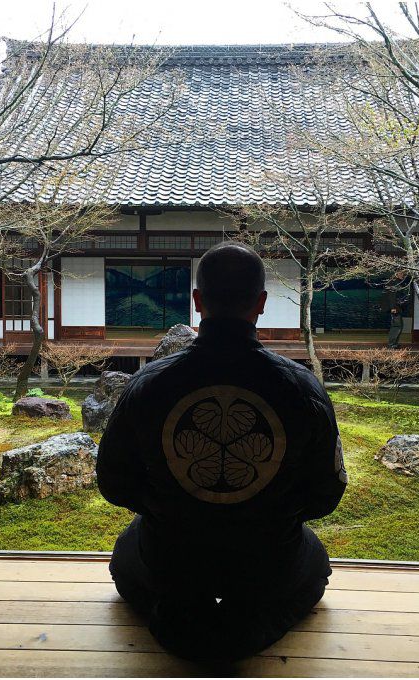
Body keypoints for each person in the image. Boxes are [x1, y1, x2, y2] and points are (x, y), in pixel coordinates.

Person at [96, 242, 347, 663]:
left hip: (171, 556)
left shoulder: (150, 384)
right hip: (266, 558)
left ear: (197, 302)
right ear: (262, 303)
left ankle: (180, 615)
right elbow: (324, 495)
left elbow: (114, 482)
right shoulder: (301, 388)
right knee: (314, 564)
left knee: (127, 556)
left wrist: (166, 504)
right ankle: (247, 623)